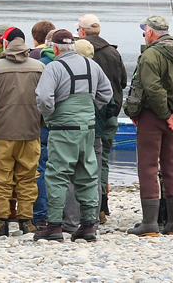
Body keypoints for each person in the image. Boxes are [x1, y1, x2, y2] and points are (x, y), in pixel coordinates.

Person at [125, 15, 173, 236]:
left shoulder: (150, 54)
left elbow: (152, 88)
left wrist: (167, 115)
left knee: (148, 166)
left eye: (145, 31)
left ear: (150, 32)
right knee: (172, 165)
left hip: (153, 116)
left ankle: (149, 223)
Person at [32, 30, 113, 242]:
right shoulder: (91, 65)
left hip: (62, 129)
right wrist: (89, 108)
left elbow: (43, 97)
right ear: (73, 46)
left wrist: (50, 114)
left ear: (55, 48)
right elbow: (107, 93)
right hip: (88, 128)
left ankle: (55, 225)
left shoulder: (54, 67)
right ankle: (88, 225)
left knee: (57, 175)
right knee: (87, 174)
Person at [0, 27, 44, 236]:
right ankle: (27, 221)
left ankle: (1, 221)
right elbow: (47, 100)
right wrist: (40, 123)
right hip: (30, 132)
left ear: (5, 43)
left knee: (0, 178)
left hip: (2, 132)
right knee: (28, 177)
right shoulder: (40, 67)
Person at [76, 14, 127, 224]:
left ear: (81, 32)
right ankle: (102, 205)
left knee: (81, 160)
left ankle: (84, 206)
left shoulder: (80, 54)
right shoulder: (113, 52)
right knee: (102, 159)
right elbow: (123, 81)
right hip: (111, 114)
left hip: (86, 116)